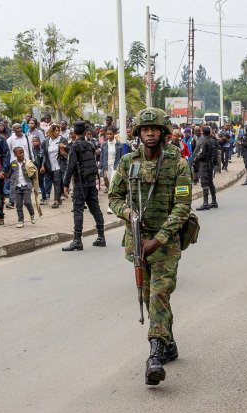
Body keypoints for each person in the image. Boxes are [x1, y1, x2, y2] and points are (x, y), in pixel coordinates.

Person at [107, 108, 192, 386]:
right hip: (137, 239)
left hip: (164, 244)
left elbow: (182, 207)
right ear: (139, 134)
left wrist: (159, 239)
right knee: (147, 295)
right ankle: (168, 344)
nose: (150, 133)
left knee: (159, 295)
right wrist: (128, 213)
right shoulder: (128, 162)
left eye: (155, 129)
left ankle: (154, 356)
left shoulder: (177, 164)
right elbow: (114, 197)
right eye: (145, 130)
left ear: (164, 133)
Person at [61, 120, 105, 251]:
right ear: (85, 132)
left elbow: (71, 166)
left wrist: (65, 184)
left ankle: (77, 240)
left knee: (78, 210)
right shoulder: (90, 145)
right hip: (91, 182)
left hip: (80, 183)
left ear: (74, 132)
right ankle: (101, 237)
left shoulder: (75, 146)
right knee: (95, 209)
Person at [9, 145, 40, 227]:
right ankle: (20, 220)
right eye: (20, 153)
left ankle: (32, 214)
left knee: (27, 202)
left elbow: (34, 173)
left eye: (23, 152)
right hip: (17, 186)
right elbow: (10, 173)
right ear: (15, 154)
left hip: (26, 185)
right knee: (18, 204)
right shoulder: (13, 164)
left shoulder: (28, 163)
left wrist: (32, 173)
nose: (22, 154)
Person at [39, 124, 67, 208]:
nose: (58, 132)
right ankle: (58, 198)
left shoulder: (62, 140)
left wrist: (63, 151)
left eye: (58, 130)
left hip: (58, 165)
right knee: (49, 181)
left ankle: (55, 201)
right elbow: (43, 154)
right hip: (48, 166)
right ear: (51, 131)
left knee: (57, 182)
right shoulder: (46, 141)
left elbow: (68, 152)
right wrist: (42, 166)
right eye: (56, 131)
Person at [194, 125, 219, 210]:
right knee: (210, 182)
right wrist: (215, 162)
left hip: (204, 164)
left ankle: (205, 203)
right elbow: (216, 152)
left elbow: (202, 154)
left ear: (203, 133)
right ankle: (214, 201)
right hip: (211, 164)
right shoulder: (213, 140)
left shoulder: (204, 142)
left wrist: (196, 158)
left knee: (204, 183)